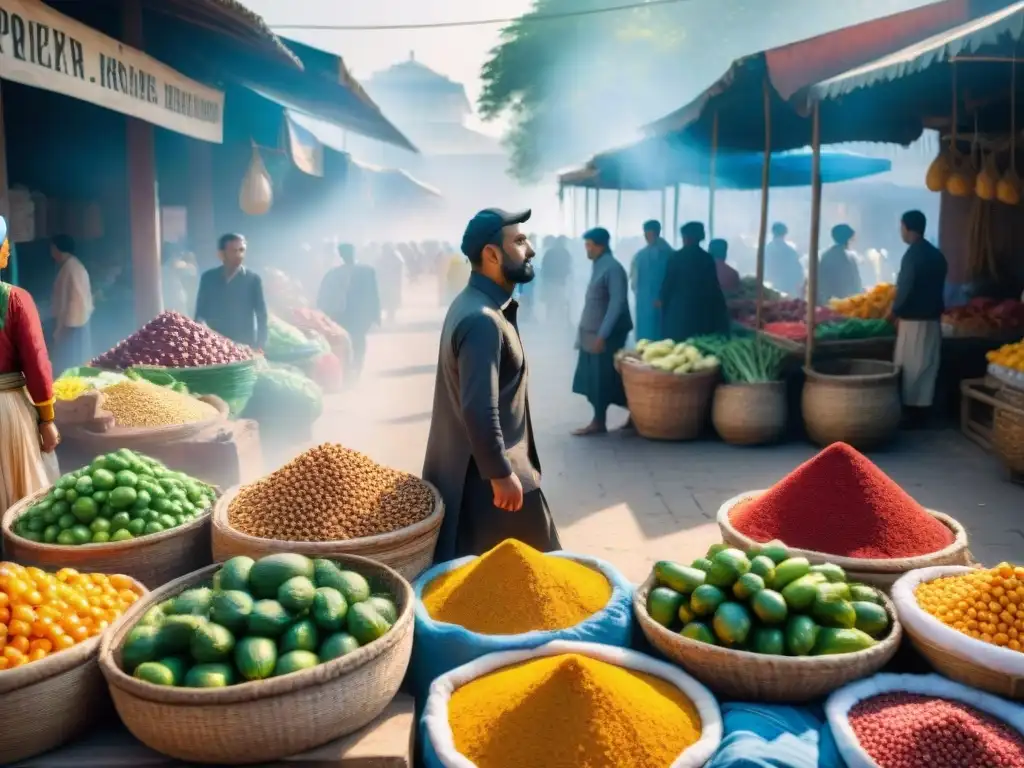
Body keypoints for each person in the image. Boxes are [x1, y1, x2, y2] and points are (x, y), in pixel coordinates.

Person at [422, 208, 559, 560]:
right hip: (493, 488)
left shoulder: (477, 305)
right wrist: (500, 473)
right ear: (492, 254)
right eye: (519, 240)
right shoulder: (482, 319)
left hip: (484, 480)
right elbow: (478, 406)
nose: (529, 249)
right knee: (544, 586)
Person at [0, 216, 60, 511]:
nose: (8, 251)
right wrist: (47, 420)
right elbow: (36, 363)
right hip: (7, 412)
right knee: (20, 505)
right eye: (5, 245)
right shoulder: (15, 300)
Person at [572, 227, 633, 436]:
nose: (587, 250)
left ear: (601, 246)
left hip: (606, 334)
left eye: (589, 245)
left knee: (604, 378)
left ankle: (600, 422)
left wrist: (602, 335)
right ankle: (632, 414)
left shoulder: (612, 268)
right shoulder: (599, 265)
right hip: (592, 333)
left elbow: (617, 303)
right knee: (596, 377)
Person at [890, 210, 947, 427]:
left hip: (912, 322)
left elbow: (906, 287)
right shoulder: (936, 255)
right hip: (933, 322)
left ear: (906, 227)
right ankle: (923, 413)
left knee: (910, 368)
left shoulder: (913, 255)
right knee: (927, 367)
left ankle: (910, 415)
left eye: (901, 227)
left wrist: (894, 311)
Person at [317, 243, 381, 383]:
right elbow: (325, 294)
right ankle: (348, 371)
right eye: (344, 253)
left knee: (358, 340)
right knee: (345, 342)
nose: (347, 255)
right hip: (341, 314)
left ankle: (356, 369)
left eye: (348, 252)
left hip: (359, 314)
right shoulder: (334, 273)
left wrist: (376, 316)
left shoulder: (366, 271)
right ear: (341, 255)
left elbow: (374, 294)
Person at [195, 233, 268, 350]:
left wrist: (260, 344)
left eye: (242, 250)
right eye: (234, 251)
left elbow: (261, 315)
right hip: (213, 344)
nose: (239, 255)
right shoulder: (208, 277)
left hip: (243, 343)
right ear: (221, 254)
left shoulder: (253, 279)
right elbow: (200, 311)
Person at [661, 222, 730, 341]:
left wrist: (662, 300)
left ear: (688, 238)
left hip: (678, 315)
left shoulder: (675, 257)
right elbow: (714, 288)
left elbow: (668, 284)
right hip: (701, 315)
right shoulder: (707, 258)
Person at [49, 234, 93, 374]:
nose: (51, 252)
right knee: (70, 364)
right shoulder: (69, 266)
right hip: (72, 324)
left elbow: (76, 300)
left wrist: (66, 327)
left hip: (73, 326)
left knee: (71, 364)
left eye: (52, 248)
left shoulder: (72, 268)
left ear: (56, 248)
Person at [629, 220, 673, 342]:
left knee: (646, 343)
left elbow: (634, 284)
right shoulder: (671, 254)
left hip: (645, 306)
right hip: (666, 306)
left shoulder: (640, 257)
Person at [817, 224, 863, 306]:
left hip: (830, 300)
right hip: (844, 302)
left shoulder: (826, 255)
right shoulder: (849, 256)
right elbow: (855, 281)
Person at [539, 235, 572, 329]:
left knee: (550, 303)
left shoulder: (549, 252)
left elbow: (544, 267)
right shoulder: (565, 253)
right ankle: (560, 322)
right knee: (560, 302)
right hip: (560, 282)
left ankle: (549, 321)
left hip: (549, 281)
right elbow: (569, 268)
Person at [764, 222, 804, 297]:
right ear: (785, 233)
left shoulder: (767, 249)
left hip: (770, 282)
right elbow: (797, 269)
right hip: (787, 283)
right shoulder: (789, 250)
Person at [377, 244, 405, 323]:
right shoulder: (394, 259)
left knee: (391, 302)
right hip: (388, 284)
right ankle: (389, 317)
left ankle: (390, 317)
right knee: (388, 302)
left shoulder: (394, 259)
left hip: (391, 284)